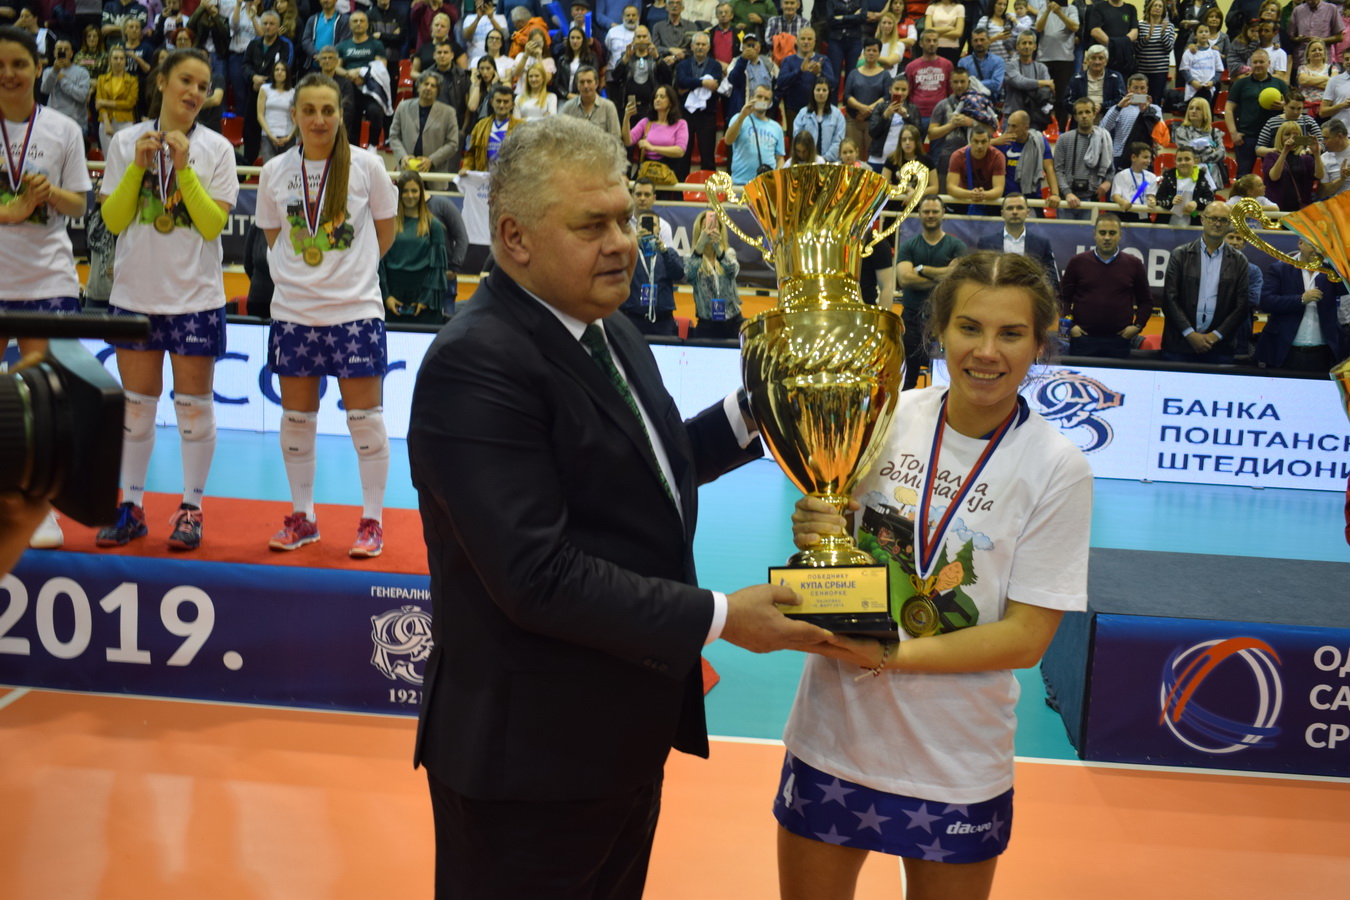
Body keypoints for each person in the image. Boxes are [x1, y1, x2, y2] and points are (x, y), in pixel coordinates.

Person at [407, 113, 831, 900]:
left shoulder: (607, 326)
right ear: (514, 237)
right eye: (592, 225)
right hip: (528, 767)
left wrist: (761, 410)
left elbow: (650, 468)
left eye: (627, 219)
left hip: (619, 738)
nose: (623, 244)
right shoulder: (476, 363)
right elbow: (536, 576)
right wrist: (722, 617)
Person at [777, 250, 1092, 900]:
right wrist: (817, 528)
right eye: (969, 327)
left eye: (1011, 333)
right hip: (834, 735)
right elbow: (837, 541)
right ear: (940, 330)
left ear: (1040, 343)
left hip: (956, 760)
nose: (987, 351)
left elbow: (1026, 638)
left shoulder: (1057, 467)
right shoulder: (887, 415)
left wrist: (889, 654)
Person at [95, 48, 239, 551]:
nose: (195, 92)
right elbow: (113, 221)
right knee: (135, 411)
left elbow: (213, 225)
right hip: (136, 294)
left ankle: (191, 509)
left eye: (203, 85)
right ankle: (131, 507)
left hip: (195, 297)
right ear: (161, 82)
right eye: (186, 81)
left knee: (194, 412)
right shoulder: (125, 142)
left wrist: (183, 170)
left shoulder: (217, 148)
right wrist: (138, 168)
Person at [255, 72, 398, 557]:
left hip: (355, 312)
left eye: (328, 110)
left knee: (366, 422)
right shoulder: (274, 171)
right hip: (294, 313)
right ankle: (304, 517)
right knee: (296, 420)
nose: (319, 120)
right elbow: (274, 237)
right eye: (309, 110)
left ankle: (372, 522)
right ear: (294, 115)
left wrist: (349, 275)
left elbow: (384, 233)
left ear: (341, 115)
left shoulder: (367, 166)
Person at [0, 26, 94, 550]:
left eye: (19, 63)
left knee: (42, 398)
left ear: (38, 69)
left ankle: (40, 507)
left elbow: (80, 203)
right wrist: (10, 210)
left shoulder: (63, 128)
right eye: (0, 65)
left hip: (46, 276)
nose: (9, 74)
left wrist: (49, 194)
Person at [1160, 201, 1250, 364]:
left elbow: (1242, 304)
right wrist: (1189, 334)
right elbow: (1169, 299)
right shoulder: (1180, 255)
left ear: (1229, 223)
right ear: (1202, 219)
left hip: (1220, 347)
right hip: (1179, 345)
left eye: (1223, 220)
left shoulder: (1240, 261)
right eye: (1213, 218)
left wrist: (1216, 335)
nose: (1218, 224)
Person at [895, 196, 967, 390]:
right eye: (926, 211)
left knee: (947, 380)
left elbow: (959, 278)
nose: (930, 215)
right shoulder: (909, 246)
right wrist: (944, 275)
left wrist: (922, 269)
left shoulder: (956, 246)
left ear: (943, 214)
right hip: (912, 320)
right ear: (919, 214)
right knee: (907, 381)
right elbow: (905, 279)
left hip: (946, 320)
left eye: (935, 211)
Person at [1060, 212, 1152, 358]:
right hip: (1082, 340)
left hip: (1120, 342)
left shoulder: (1134, 264)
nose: (1107, 237)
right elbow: (1063, 298)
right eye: (1102, 233)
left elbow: (1146, 301)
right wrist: (1070, 326)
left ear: (1120, 235)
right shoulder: (1077, 262)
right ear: (1094, 234)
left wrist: (1137, 326)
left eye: (1112, 233)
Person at [1255, 238, 1346, 371]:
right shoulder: (1280, 269)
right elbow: (1266, 302)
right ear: (1300, 243)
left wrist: (1338, 260)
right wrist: (1301, 299)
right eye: (1312, 245)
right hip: (1285, 351)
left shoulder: (1331, 272)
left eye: (1321, 246)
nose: (1317, 250)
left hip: (1324, 354)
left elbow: (1345, 288)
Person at [381, 170, 449, 326]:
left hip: (423, 300)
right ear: (398, 193)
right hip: (392, 298)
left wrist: (426, 300)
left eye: (414, 190)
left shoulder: (434, 226)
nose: (410, 195)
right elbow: (379, 263)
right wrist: (386, 296)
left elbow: (438, 269)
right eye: (405, 191)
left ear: (421, 192)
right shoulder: (388, 223)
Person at [622, 178, 682, 335]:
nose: (642, 198)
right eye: (638, 194)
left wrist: (663, 250)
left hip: (661, 312)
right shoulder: (623, 225)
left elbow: (677, 272)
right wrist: (633, 245)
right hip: (632, 311)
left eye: (647, 194)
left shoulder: (665, 228)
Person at [976, 192, 1059, 297]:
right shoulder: (986, 243)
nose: (1015, 212)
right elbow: (979, 277)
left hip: (1031, 298)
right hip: (995, 298)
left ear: (1028, 212)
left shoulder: (1042, 244)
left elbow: (1052, 280)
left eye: (1019, 208)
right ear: (1002, 213)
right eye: (1010, 208)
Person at [242, 11, 296, 164]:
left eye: (272, 24)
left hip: (277, 92)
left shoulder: (285, 45)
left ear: (278, 26)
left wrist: (265, 82)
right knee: (250, 132)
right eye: (265, 23)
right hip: (254, 91)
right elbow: (245, 64)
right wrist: (253, 77)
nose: (267, 27)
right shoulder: (253, 43)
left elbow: (285, 67)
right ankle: (248, 166)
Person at [1227, 49, 1288, 178]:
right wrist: (1233, 133)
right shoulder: (1241, 83)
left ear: (1269, 63)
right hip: (1247, 137)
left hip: (1273, 137)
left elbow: (1292, 107)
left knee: (1273, 176)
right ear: (1250, 64)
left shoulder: (1279, 83)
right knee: (1243, 176)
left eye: (1261, 62)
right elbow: (1228, 109)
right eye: (1255, 62)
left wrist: (1284, 106)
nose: (1258, 65)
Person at [1053, 97, 1115, 220]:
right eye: (1080, 113)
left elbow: (1110, 169)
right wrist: (1067, 193)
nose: (1084, 116)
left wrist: (1107, 182)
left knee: (1089, 233)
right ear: (1075, 117)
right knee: (1064, 232)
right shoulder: (1064, 139)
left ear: (1094, 115)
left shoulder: (1104, 138)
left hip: (1092, 199)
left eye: (1087, 112)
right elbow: (1058, 170)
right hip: (1067, 199)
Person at [335, 10, 390, 147]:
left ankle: (372, 145)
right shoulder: (343, 45)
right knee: (351, 118)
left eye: (362, 21)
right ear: (350, 25)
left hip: (370, 88)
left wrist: (361, 74)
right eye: (355, 21)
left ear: (367, 25)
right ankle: (352, 148)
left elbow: (381, 66)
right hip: (350, 88)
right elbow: (336, 67)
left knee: (375, 112)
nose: (358, 23)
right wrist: (349, 74)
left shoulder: (376, 44)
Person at [684, 208, 741, 339]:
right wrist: (699, 246)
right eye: (705, 228)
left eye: (714, 227)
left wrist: (718, 249)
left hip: (733, 322)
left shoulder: (729, 253)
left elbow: (733, 271)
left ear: (720, 231)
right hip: (706, 324)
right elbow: (688, 274)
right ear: (699, 232)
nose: (710, 232)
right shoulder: (691, 258)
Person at [389, 70, 461, 173]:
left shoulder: (449, 112)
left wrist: (431, 160)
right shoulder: (403, 107)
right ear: (418, 86)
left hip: (435, 172)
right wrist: (402, 156)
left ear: (438, 91)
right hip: (407, 170)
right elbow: (394, 136)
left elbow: (452, 143)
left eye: (433, 86)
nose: (428, 88)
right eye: (426, 84)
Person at [990, 109, 1058, 210]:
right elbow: (971, 148)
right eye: (1008, 125)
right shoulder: (1002, 142)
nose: (1009, 130)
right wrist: (994, 141)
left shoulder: (1039, 142)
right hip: (1007, 199)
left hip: (1032, 199)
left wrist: (1055, 194)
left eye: (1014, 126)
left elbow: (1049, 168)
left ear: (1025, 128)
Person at [674, 31, 722, 174]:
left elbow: (714, 85)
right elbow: (681, 81)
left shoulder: (715, 65)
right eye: (697, 44)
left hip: (707, 114)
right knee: (683, 154)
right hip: (685, 114)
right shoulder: (683, 64)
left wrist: (689, 86)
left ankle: (708, 187)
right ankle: (680, 187)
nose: (700, 47)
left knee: (707, 155)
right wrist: (703, 83)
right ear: (692, 46)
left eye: (703, 44)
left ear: (708, 47)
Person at [624, 82, 688, 179]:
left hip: (669, 171)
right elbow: (627, 141)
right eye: (656, 97)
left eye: (662, 97)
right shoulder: (646, 122)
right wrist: (626, 118)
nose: (657, 99)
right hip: (647, 169)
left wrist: (652, 148)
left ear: (671, 102)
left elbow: (680, 151)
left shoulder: (680, 124)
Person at [1100, 72, 1163, 169]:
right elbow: (1103, 129)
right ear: (1128, 89)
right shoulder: (1118, 108)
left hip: (1146, 157)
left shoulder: (1155, 109)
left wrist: (1146, 111)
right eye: (1135, 88)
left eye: (1142, 88)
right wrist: (1119, 107)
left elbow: (1160, 135)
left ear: (1147, 89)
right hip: (1120, 156)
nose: (1139, 92)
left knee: (1146, 180)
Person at [726, 81, 783, 183]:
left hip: (766, 184)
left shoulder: (777, 127)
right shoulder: (738, 118)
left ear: (770, 103)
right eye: (759, 97)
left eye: (766, 99)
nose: (762, 100)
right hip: (740, 183)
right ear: (752, 98)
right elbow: (728, 140)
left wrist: (777, 176)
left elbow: (780, 159)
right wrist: (742, 116)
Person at [776, 26, 832, 130]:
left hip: (819, 110)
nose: (806, 42)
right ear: (796, 41)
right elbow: (781, 82)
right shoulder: (788, 60)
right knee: (795, 139)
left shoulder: (823, 60)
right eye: (803, 39)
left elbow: (833, 83)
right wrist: (800, 71)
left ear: (814, 42)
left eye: (809, 39)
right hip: (793, 110)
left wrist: (819, 73)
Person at [1034, 0, 1078, 129]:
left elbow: (1075, 27)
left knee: (1062, 98)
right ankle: (1041, 128)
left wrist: (1059, 13)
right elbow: (1038, 28)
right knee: (1042, 96)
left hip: (1065, 59)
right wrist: (1048, 10)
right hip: (1044, 59)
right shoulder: (1043, 9)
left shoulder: (1071, 9)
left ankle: (1062, 129)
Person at [1263, 119, 1325, 210]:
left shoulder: (1306, 159)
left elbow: (1319, 175)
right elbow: (1274, 177)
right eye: (1287, 134)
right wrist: (1285, 151)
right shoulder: (1271, 156)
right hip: (1278, 207)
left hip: (1301, 207)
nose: (1291, 138)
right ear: (1280, 137)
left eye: (1296, 135)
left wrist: (1316, 153)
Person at [946, 124, 1006, 215]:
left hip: (989, 200)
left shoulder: (998, 157)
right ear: (970, 141)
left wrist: (983, 195)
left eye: (983, 141)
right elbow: (950, 188)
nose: (979, 146)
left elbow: (999, 190)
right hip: (963, 198)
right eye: (976, 141)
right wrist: (971, 194)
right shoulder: (957, 156)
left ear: (989, 142)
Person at [1174, 96, 1228, 190]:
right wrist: (1211, 150)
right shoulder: (1181, 131)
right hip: (1190, 173)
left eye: (1198, 109)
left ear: (1205, 113)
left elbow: (1222, 153)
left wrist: (1202, 158)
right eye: (1191, 108)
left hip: (1212, 175)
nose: (1193, 111)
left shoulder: (1214, 132)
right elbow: (1188, 152)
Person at [1156, 144, 1216, 225]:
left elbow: (1210, 199)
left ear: (1195, 161)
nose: (1183, 162)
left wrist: (1196, 203)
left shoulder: (1201, 179)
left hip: (1193, 227)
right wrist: (1171, 201)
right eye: (1179, 160)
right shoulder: (1168, 177)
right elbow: (1158, 199)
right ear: (1175, 162)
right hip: (1167, 226)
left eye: (1187, 159)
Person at [867, 75, 919, 170]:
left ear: (908, 91)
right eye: (897, 89)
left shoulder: (913, 108)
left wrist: (906, 117)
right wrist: (885, 115)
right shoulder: (880, 107)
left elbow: (918, 133)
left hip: (903, 159)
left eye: (903, 90)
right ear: (890, 90)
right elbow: (872, 132)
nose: (900, 93)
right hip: (878, 159)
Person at [1002, 30, 1054, 126]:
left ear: (1035, 46)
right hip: (1012, 116)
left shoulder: (1042, 68)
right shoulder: (1010, 66)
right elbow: (1019, 82)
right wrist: (1044, 82)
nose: (1027, 46)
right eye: (1024, 43)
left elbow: (1046, 90)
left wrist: (1043, 84)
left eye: (1030, 43)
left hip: (1034, 117)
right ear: (1017, 46)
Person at [903, 29, 951, 130]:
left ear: (938, 43)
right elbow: (908, 92)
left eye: (935, 40)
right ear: (921, 43)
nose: (932, 43)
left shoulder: (947, 65)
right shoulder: (911, 67)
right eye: (928, 40)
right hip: (918, 114)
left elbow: (950, 91)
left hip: (941, 114)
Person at [463, 83, 518, 169]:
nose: (502, 105)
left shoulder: (520, 127)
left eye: (506, 102)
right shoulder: (481, 125)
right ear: (491, 102)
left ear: (512, 105)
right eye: (498, 101)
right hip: (484, 174)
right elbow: (471, 153)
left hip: (510, 175)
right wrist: (466, 167)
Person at [1065, 44, 1124, 122]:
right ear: (1087, 60)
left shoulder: (1115, 77)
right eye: (1093, 58)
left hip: (1109, 121)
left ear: (1106, 61)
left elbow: (1121, 100)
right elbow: (1067, 102)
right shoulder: (1077, 78)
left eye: (1101, 58)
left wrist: (1102, 106)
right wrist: (1086, 108)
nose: (1097, 62)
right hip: (1081, 121)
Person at [560, 65, 622, 140]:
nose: (585, 86)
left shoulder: (608, 107)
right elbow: (560, 135)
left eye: (589, 81)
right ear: (577, 85)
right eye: (582, 82)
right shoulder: (568, 107)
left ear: (596, 83)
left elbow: (616, 138)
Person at [95, 44, 136, 153]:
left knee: (125, 155)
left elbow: (130, 103)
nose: (118, 61)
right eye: (115, 58)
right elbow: (99, 104)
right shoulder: (101, 79)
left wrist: (105, 102)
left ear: (125, 61)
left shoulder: (132, 80)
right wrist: (106, 123)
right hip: (105, 122)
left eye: (121, 58)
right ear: (110, 60)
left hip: (125, 121)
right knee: (108, 157)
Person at [1256, 89, 1323, 156]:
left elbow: (1322, 144)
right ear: (1284, 106)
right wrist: (1275, 151)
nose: (1295, 112)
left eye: (1299, 108)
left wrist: (1307, 151)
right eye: (1292, 108)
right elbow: (1259, 149)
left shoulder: (1308, 121)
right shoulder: (1272, 122)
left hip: (1304, 159)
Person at [794, 75, 846, 162]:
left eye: (824, 90)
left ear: (829, 92)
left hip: (830, 162)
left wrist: (824, 159)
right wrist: (809, 157)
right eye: (818, 90)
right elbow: (798, 137)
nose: (821, 93)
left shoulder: (837, 115)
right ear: (813, 91)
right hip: (807, 161)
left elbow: (838, 140)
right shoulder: (803, 113)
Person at [40, 39, 92, 126]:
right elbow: (45, 90)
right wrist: (54, 72)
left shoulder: (82, 72)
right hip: (53, 120)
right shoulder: (48, 71)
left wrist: (62, 80)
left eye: (66, 49)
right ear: (55, 53)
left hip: (75, 122)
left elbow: (83, 96)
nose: (63, 51)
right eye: (59, 49)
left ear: (71, 53)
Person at [257, 58, 296, 162]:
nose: (279, 72)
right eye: (277, 70)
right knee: (269, 168)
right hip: (268, 136)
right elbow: (260, 115)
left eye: (283, 70)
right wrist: (270, 135)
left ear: (287, 73)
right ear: (273, 73)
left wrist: (289, 137)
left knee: (287, 169)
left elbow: (297, 118)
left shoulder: (294, 92)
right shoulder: (264, 89)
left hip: (288, 137)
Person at [1110, 141, 1158, 220]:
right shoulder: (1121, 175)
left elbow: (1151, 195)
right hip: (1126, 213)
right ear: (1134, 157)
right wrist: (1123, 202)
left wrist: (1152, 201)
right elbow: (1115, 195)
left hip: (1144, 214)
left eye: (1150, 158)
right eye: (1145, 157)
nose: (1149, 161)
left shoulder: (1151, 177)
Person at [1291, 0, 1344, 72]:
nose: (1310, 2)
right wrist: (1299, 39)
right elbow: (1291, 37)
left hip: (1324, 62)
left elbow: (1340, 37)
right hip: (1302, 61)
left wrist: (1319, 41)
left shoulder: (1331, 9)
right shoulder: (1297, 11)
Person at [958, 26, 1005, 102]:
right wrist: (988, 83)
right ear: (971, 43)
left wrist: (972, 83)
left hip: (991, 103)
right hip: (968, 103)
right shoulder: (963, 62)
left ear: (989, 41)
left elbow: (996, 85)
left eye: (982, 40)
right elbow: (961, 86)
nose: (979, 43)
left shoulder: (998, 61)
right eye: (976, 40)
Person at [301, 0, 349, 70]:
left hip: (335, 66)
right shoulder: (312, 19)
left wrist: (327, 56)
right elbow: (306, 40)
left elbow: (344, 42)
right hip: (314, 64)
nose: (326, 0)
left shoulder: (344, 20)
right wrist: (316, 54)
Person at [1318, 118, 1350, 197]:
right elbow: (1322, 193)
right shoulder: (1323, 158)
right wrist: (1341, 179)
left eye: (1326, 138)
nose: (1323, 142)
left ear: (1340, 136)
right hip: (1338, 202)